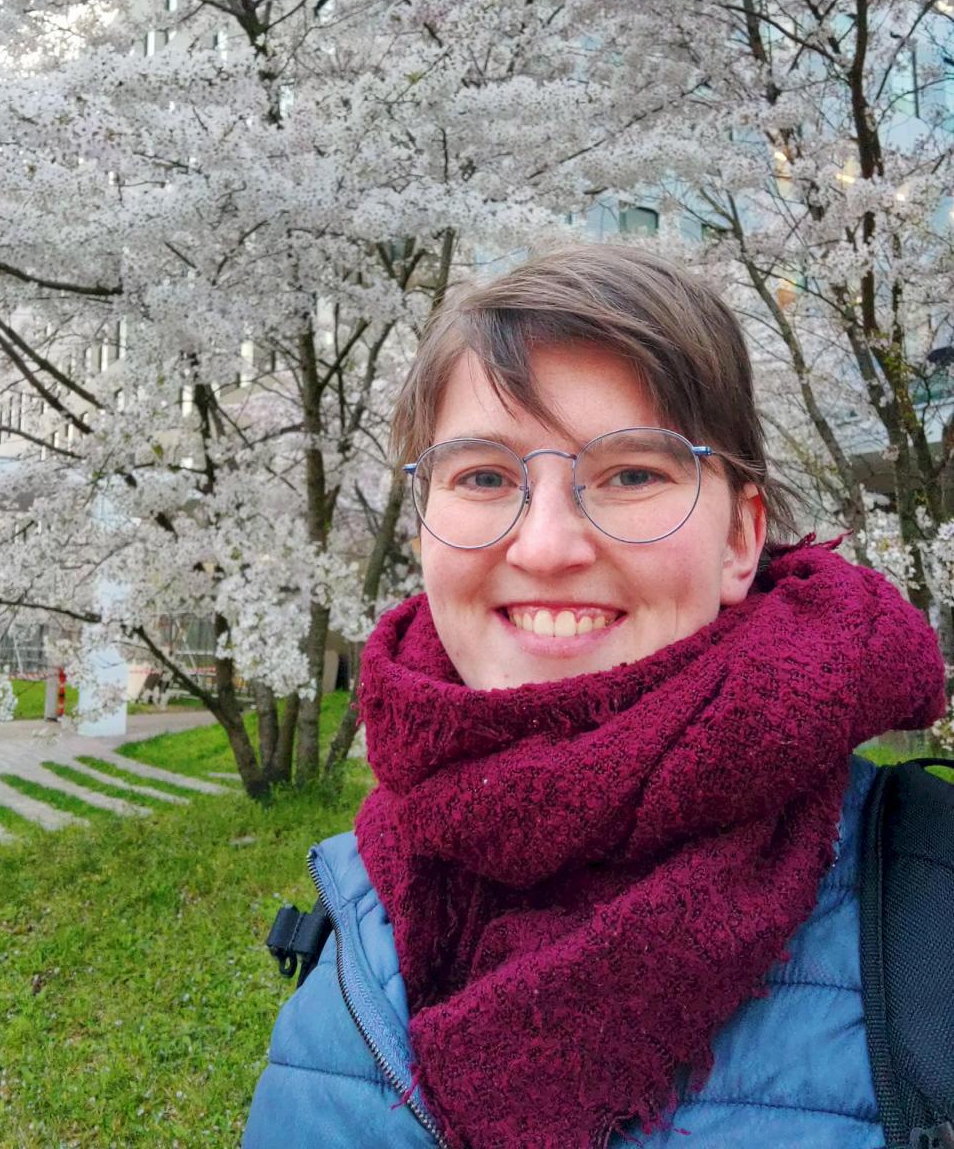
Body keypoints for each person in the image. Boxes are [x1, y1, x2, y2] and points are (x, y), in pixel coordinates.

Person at [243, 244, 945, 1149]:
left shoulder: (924, 903)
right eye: (484, 477)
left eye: (633, 474)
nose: (545, 548)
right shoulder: (362, 897)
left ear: (740, 538)